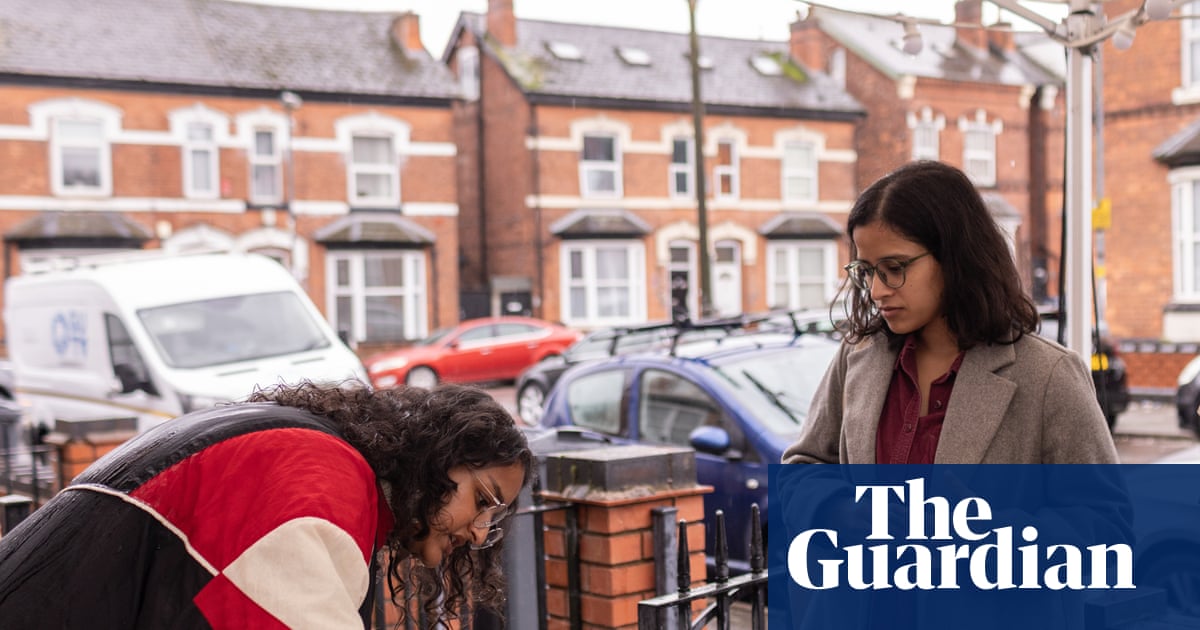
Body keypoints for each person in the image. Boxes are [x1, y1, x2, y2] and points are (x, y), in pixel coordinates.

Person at [0, 381, 532, 629]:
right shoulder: (322, 481)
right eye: (482, 500)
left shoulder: (308, 451)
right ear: (436, 459)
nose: (481, 532)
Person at [783, 159, 1118, 465]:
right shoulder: (857, 354)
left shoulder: (1049, 375)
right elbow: (804, 467)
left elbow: (1103, 520)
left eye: (895, 267)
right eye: (867, 270)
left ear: (955, 257)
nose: (875, 290)